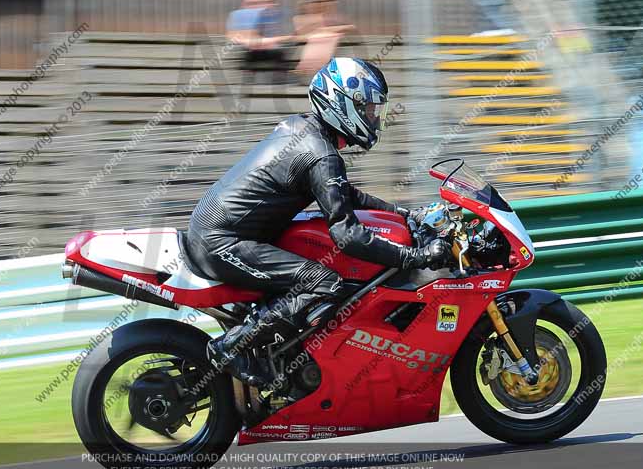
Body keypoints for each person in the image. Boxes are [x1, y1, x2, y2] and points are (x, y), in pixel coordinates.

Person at [185, 57, 452, 385]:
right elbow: (347, 234)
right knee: (326, 284)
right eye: (367, 109)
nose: (374, 119)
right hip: (222, 243)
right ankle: (230, 348)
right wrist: (416, 257)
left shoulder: (301, 128)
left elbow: (344, 194)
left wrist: (404, 214)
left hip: (219, 232)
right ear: (342, 103)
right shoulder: (321, 154)